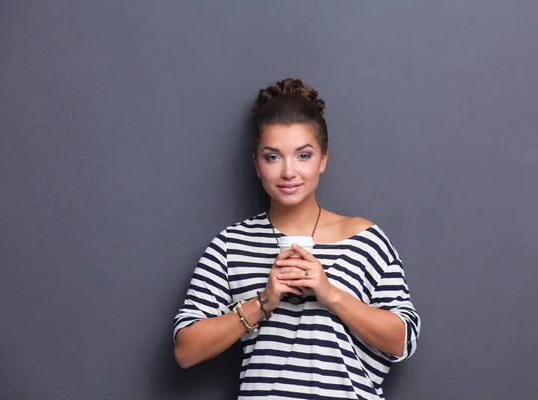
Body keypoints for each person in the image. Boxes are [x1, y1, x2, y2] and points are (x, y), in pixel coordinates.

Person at [173, 78, 421, 399]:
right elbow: (185, 350)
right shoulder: (230, 245)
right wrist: (263, 302)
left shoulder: (364, 239)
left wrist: (330, 293)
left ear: (324, 160)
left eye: (303, 155)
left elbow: (404, 340)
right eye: (273, 156)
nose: (289, 171)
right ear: (257, 165)